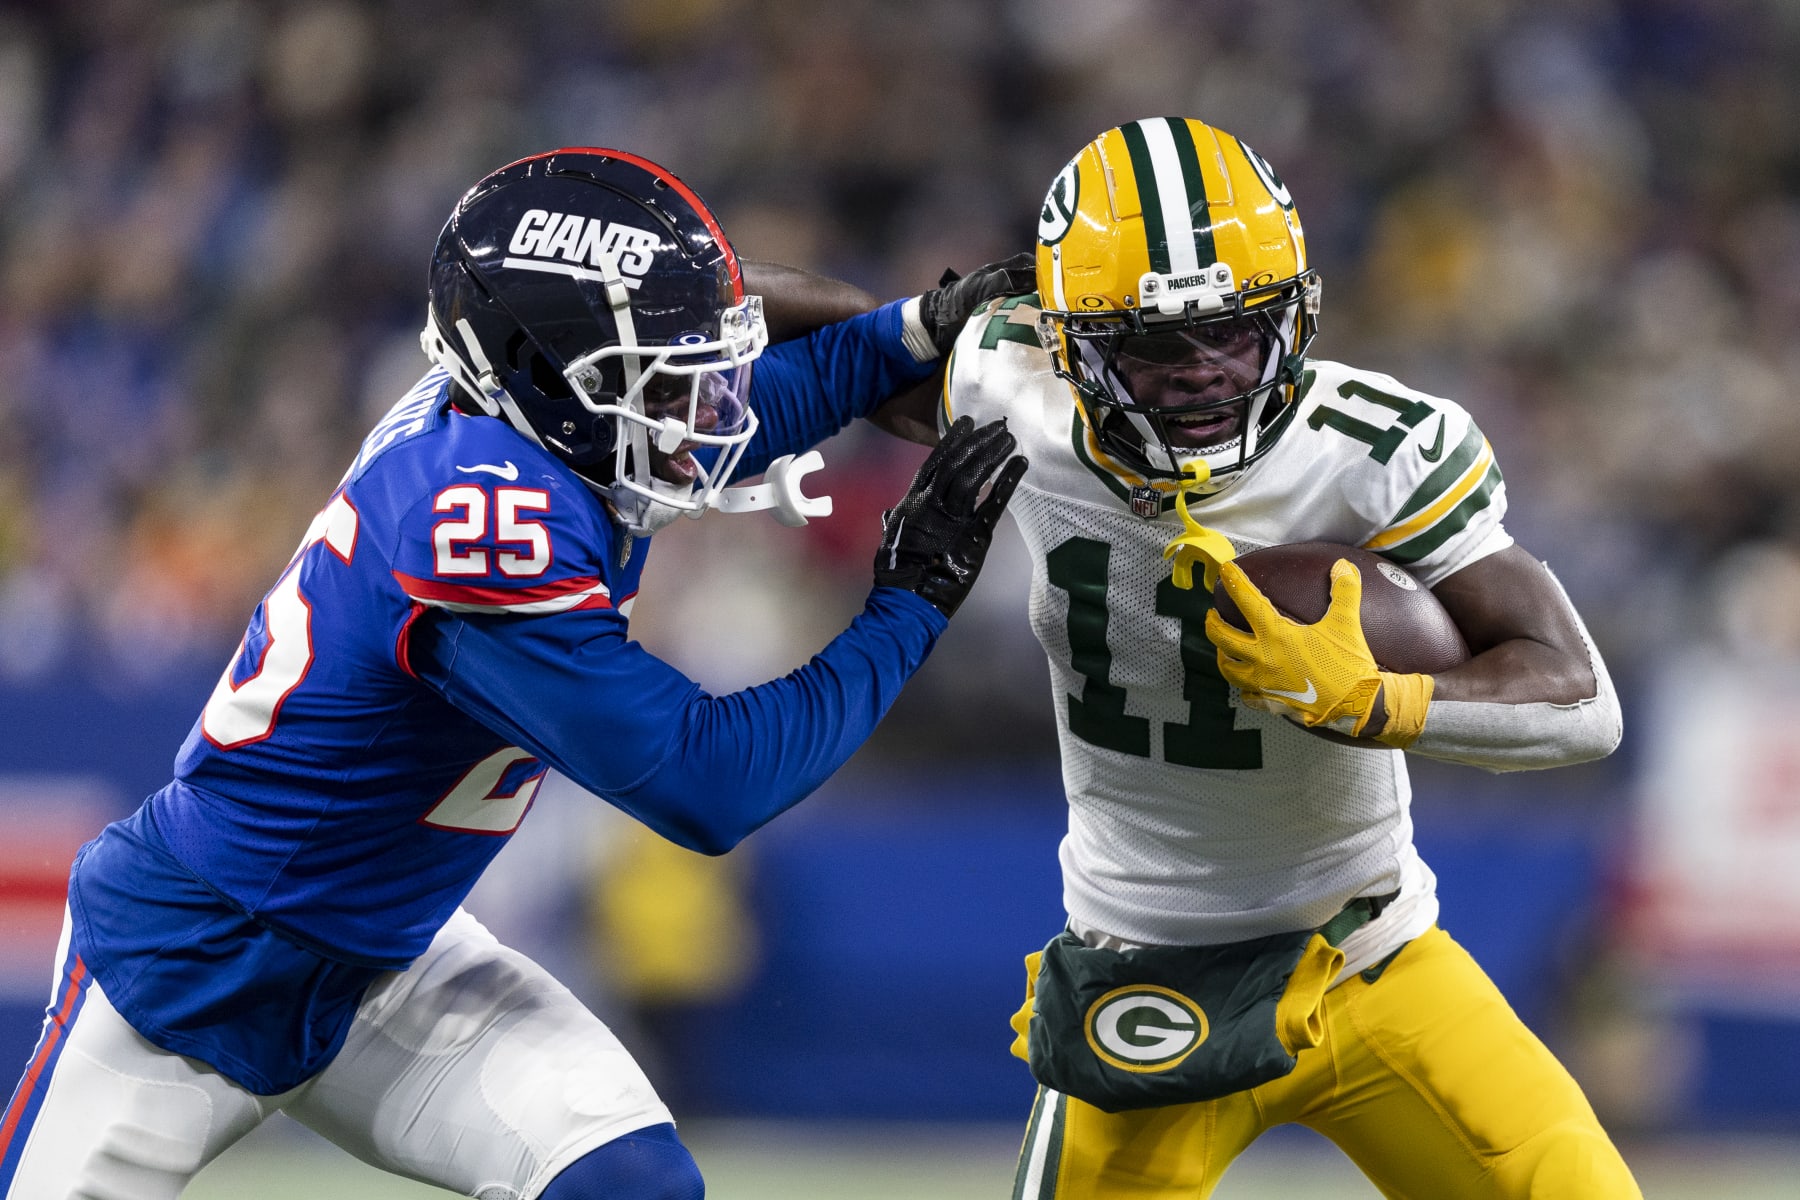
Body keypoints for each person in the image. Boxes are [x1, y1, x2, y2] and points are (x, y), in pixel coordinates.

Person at [0, 147, 1027, 1200]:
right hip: (199, 957)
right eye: (663, 379)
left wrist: (911, 332)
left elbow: (759, 387)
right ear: (547, 377)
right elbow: (713, 783)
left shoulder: (535, 419)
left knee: (632, 1188)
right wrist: (911, 601)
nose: (700, 411)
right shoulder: (481, 518)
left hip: (387, 958)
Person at [877, 118, 1639, 1197]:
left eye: (1234, 336)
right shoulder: (1014, 391)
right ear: (1070, 341)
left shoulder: (1373, 453)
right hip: (1143, 971)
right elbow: (799, 345)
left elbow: (1585, 701)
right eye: (1153, 348)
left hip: (1374, 954)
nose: (1199, 377)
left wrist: (1380, 701)